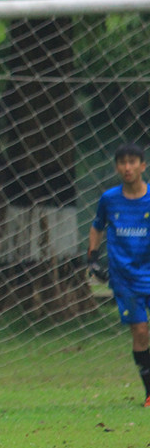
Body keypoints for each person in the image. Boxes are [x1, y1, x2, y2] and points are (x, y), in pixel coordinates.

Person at [88, 142, 150, 408]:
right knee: (140, 330)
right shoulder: (109, 199)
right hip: (124, 277)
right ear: (117, 167)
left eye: (132, 162)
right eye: (122, 163)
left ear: (142, 166)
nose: (127, 167)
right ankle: (149, 393)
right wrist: (92, 259)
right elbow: (97, 226)